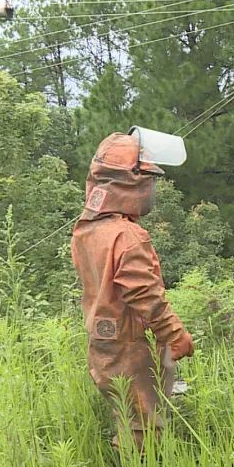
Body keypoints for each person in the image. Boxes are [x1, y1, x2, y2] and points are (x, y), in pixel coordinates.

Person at [71, 132, 194, 451]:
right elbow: (145, 296)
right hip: (128, 344)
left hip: (102, 343)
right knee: (143, 428)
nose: (151, 189)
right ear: (130, 183)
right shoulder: (126, 236)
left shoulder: (87, 231)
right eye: (148, 180)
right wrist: (173, 334)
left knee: (129, 416)